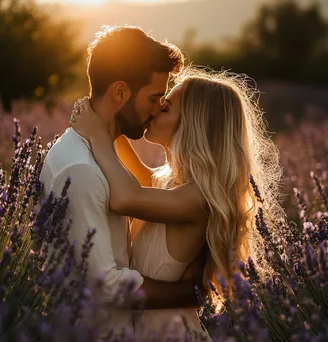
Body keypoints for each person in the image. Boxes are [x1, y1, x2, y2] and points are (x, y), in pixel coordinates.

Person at [70, 67, 283, 336]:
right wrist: (111, 120)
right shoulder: (173, 185)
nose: (155, 109)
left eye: (166, 107)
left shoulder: (197, 198)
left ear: (194, 126)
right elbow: (142, 180)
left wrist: (97, 136)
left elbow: (126, 198)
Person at [38, 25, 205, 335]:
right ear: (120, 92)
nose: (157, 111)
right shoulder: (82, 169)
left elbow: (143, 190)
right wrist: (190, 293)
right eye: (155, 99)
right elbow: (107, 286)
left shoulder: (96, 155)